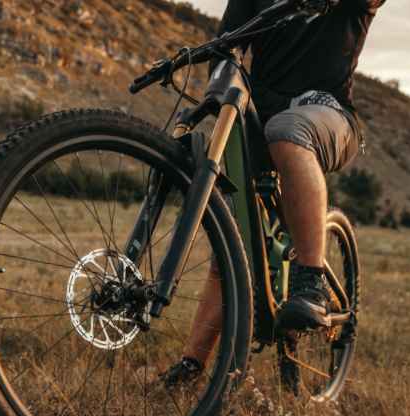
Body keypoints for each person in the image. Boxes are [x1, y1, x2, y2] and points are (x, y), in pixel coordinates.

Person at [162, 0, 385, 387]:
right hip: (258, 114)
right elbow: (228, 45)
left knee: (287, 129)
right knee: (232, 238)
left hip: (327, 112)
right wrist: (218, 81)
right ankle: (191, 365)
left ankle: (311, 278)